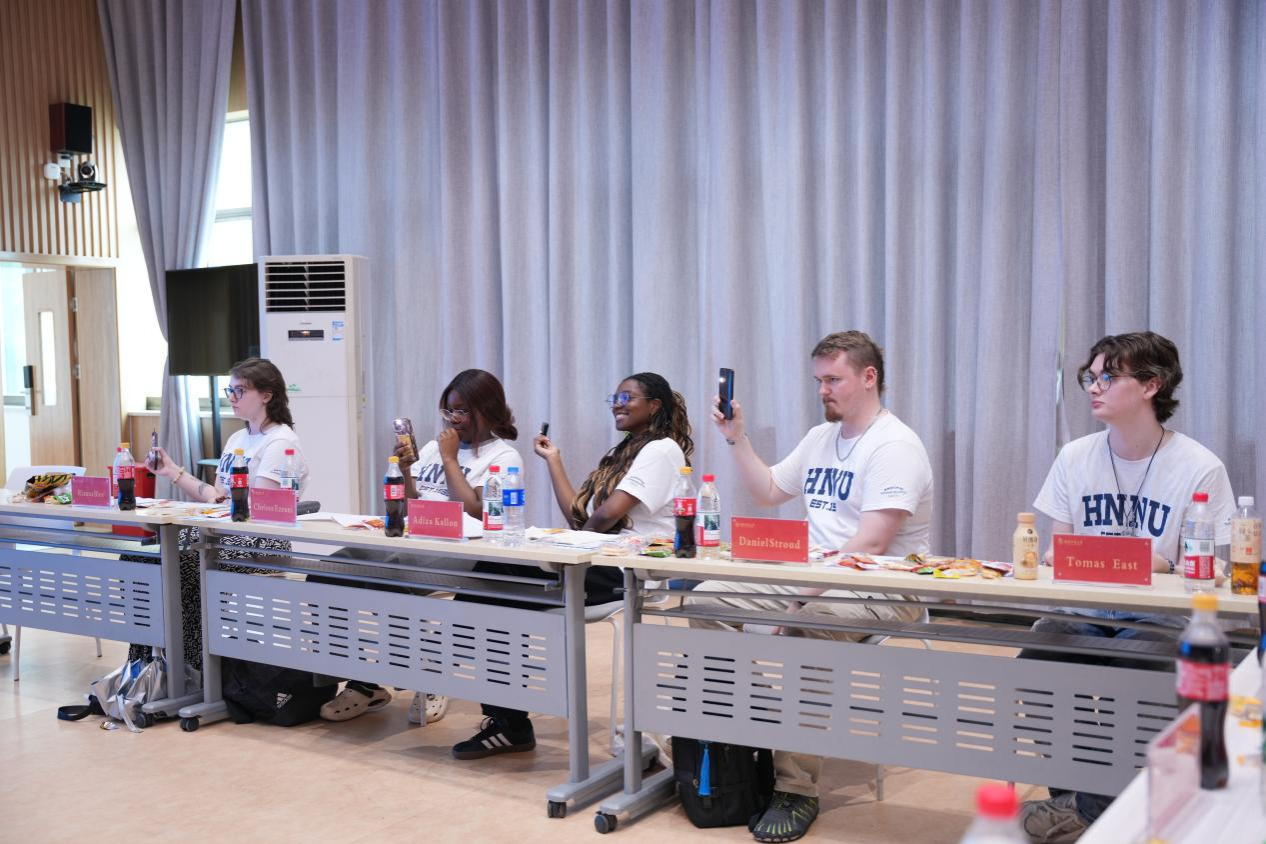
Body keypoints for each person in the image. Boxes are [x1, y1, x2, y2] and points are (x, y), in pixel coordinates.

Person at [687, 331, 933, 844]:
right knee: (706, 599)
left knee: (809, 624)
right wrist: (736, 437)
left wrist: (802, 596)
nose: (822, 390)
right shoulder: (822, 437)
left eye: (833, 380)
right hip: (813, 577)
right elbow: (769, 491)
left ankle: (795, 786)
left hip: (883, 584)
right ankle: (768, 728)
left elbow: (872, 542)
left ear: (869, 377)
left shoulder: (895, 446)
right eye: (819, 380)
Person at [1018, 331, 1234, 843]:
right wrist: (1129, 559)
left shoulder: (1199, 466)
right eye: (1089, 377)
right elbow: (1058, 552)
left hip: (1158, 615)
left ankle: (1087, 811)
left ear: (1151, 385)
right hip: (1084, 609)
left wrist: (1159, 565)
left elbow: (1211, 569)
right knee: (1037, 665)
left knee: (1137, 675)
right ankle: (1091, 803)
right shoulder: (1075, 456)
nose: (1094, 387)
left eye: (1108, 377)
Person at [449, 371, 693, 760]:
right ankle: (500, 708)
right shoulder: (625, 452)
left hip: (628, 571)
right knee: (496, 586)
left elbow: (603, 519)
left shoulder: (661, 450)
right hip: (598, 560)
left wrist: (568, 543)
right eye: (614, 398)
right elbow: (581, 519)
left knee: (497, 578)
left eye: (627, 398)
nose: (617, 404)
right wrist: (554, 461)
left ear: (654, 406)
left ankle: (455, 652)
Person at [319, 369, 522, 725]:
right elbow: (410, 504)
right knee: (328, 573)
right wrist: (405, 470)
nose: (454, 419)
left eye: (462, 411)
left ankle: (430, 673)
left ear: (486, 410)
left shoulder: (503, 457)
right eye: (449, 410)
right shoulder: (430, 448)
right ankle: (365, 681)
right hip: (415, 540)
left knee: (390, 579)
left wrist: (450, 459)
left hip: (460, 550)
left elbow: (477, 512)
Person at [135, 357, 309, 671]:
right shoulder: (237, 439)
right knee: (145, 562)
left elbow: (256, 509)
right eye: (230, 390)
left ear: (266, 395)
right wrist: (172, 471)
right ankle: (149, 667)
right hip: (218, 535)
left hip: (257, 543)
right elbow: (216, 497)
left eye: (240, 391)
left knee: (182, 566)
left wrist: (222, 508)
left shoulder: (281, 442)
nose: (232, 397)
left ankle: (190, 670)